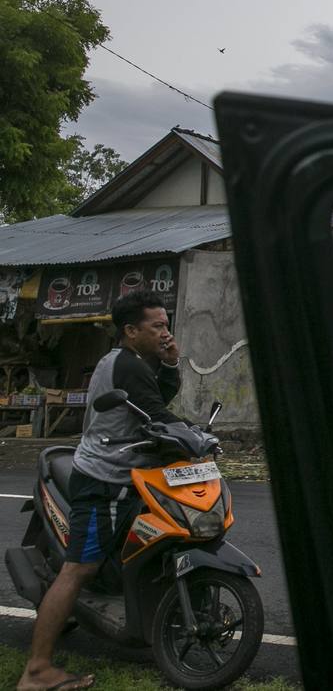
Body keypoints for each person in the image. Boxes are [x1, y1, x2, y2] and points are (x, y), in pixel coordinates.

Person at [19, 292, 185, 691]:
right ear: (131, 331)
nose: (165, 332)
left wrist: (172, 363)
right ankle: (37, 670)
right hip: (104, 481)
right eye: (157, 326)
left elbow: (155, 403)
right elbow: (159, 414)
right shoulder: (126, 365)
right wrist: (191, 435)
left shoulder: (135, 362)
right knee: (79, 569)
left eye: (166, 324)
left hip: (127, 474)